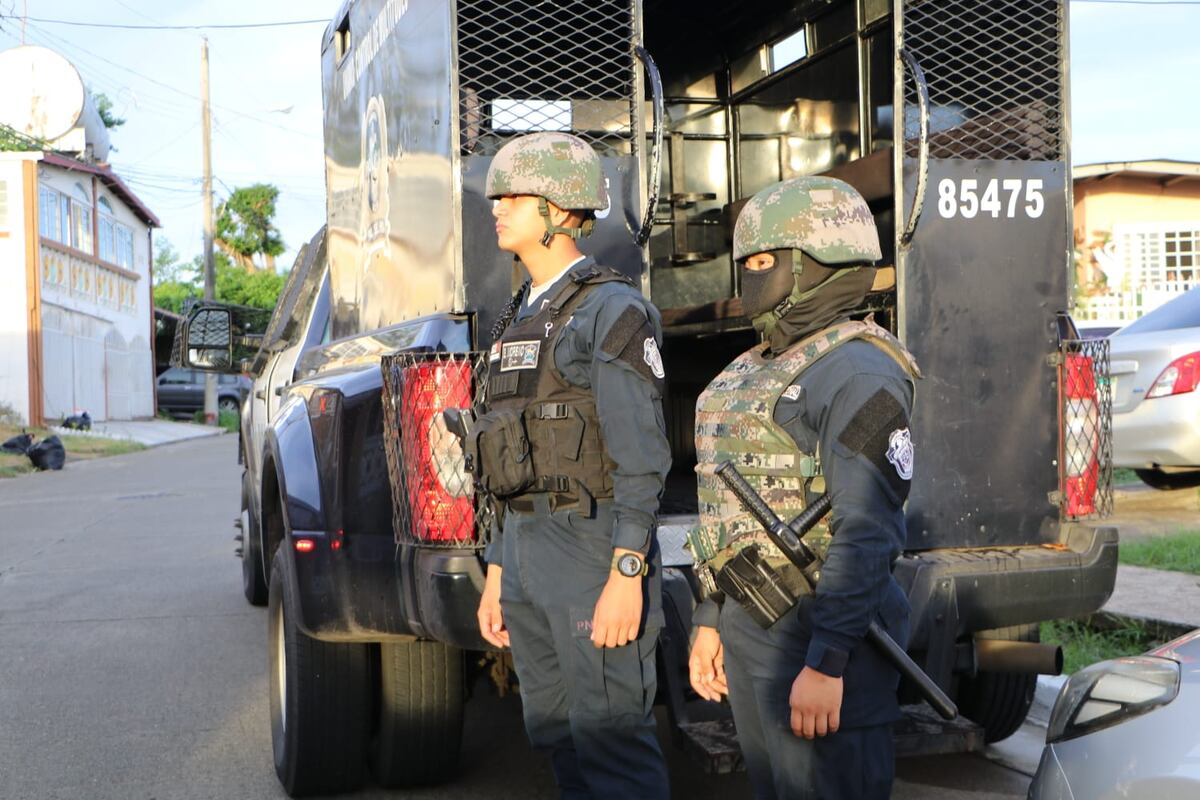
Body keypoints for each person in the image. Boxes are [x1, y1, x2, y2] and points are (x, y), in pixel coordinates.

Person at [686, 176, 921, 799]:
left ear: (820, 264)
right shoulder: (755, 366)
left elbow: (868, 530)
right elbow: (724, 511)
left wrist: (827, 661)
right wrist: (710, 617)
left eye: (768, 263)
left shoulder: (860, 371)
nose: (753, 279)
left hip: (823, 635)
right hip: (752, 627)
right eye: (749, 265)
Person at [473, 131, 671, 799]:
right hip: (528, 553)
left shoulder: (612, 310)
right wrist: (500, 570)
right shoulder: (519, 316)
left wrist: (627, 572)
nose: (496, 207)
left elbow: (642, 460)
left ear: (560, 211)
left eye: (515, 196)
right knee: (558, 737)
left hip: (592, 549)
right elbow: (510, 453)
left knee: (613, 743)